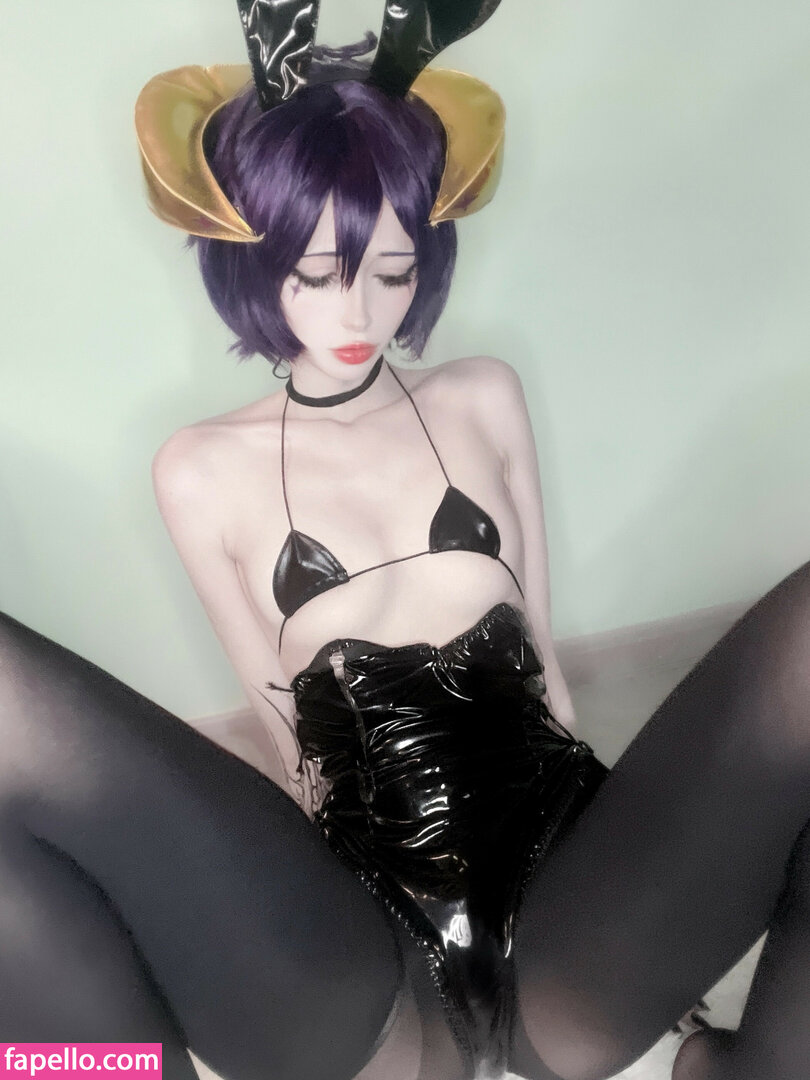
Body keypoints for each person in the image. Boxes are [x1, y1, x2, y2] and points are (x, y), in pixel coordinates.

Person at [2, 4, 810, 1080]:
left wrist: (645, 863)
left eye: (391, 270)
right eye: (316, 272)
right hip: (377, 947)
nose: (359, 313)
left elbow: (548, 671)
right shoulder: (198, 470)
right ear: (252, 261)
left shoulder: (481, 396)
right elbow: (285, 735)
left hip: (564, 914)